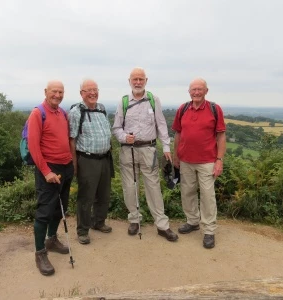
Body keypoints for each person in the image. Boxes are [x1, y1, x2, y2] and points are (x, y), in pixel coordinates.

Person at [112, 67, 178, 242]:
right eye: (135, 79)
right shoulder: (123, 102)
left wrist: (166, 147)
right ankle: (134, 219)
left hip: (149, 150)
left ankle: (162, 225)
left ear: (146, 81)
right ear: (129, 81)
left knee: (153, 187)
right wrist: (125, 137)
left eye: (141, 79)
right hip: (128, 150)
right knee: (129, 187)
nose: (138, 82)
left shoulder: (153, 100)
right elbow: (116, 128)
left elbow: (161, 124)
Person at [171, 78, 226, 249]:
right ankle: (193, 221)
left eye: (199, 89)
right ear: (189, 92)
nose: (196, 92)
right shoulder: (183, 109)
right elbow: (178, 134)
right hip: (186, 160)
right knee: (187, 192)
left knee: (207, 196)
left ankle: (209, 230)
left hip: (207, 161)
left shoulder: (214, 109)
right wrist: (176, 155)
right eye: (193, 89)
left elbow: (221, 136)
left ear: (206, 91)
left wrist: (219, 160)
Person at [28, 80, 74, 276]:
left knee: (60, 208)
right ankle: (40, 253)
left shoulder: (62, 113)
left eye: (61, 92)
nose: (57, 95)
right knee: (45, 211)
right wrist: (46, 171)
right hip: (48, 168)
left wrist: (71, 165)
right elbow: (33, 146)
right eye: (54, 91)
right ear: (46, 92)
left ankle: (52, 239)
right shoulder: (38, 113)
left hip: (65, 167)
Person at [69, 79, 113, 245]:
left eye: (95, 90)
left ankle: (98, 222)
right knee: (86, 197)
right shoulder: (76, 112)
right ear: (81, 93)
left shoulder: (101, 109)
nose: (93, 93)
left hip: (104, 158)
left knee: (104, 194)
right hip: (87, 159)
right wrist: (74, 163)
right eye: (88, 90)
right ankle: (82, 230)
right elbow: (71, 139)